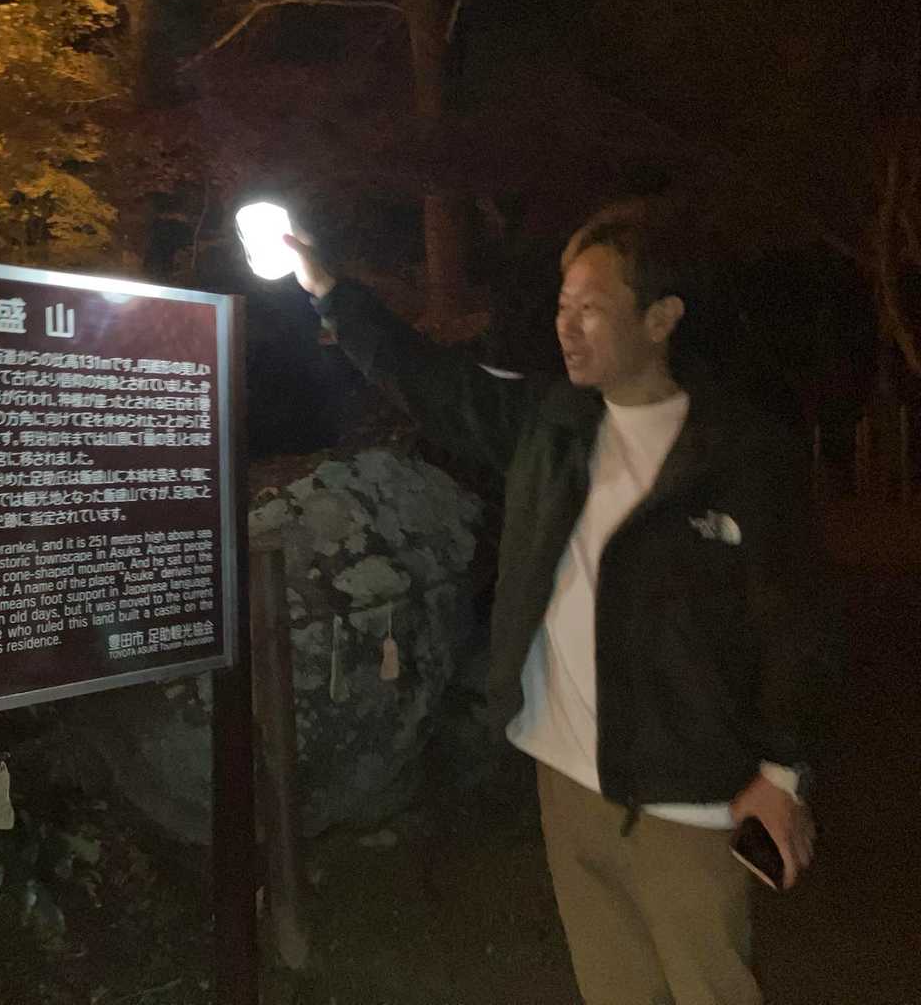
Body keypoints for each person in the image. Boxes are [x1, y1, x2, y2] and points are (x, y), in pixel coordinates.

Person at [283, 201, 834, 1005]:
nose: (567, 328)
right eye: (562, 305)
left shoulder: (742, 457)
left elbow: (794, 626)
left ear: (661, 319)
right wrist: (330, 291)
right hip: (567, 785)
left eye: (592, 308)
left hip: (690, 798)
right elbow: (432, 381)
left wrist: (781, 773)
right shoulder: (553, 426)